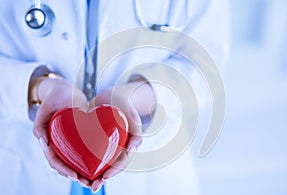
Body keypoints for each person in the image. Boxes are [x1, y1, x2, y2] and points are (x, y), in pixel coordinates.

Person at [0, 0, 230, 194]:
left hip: (152, 177)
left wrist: (137, 97)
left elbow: (205, 63)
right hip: (23, 167)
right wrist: (36, 87)